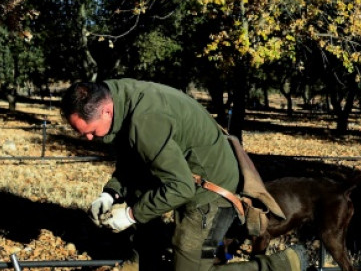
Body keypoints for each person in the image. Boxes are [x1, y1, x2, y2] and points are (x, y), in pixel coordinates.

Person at [61, 78, 309, 271]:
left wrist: (130, 214)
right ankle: (143, 261)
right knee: (144, 196)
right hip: (187, 176)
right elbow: (134, 157)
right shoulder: (118, 96)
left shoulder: (145, 120)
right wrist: (111, 192)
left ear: (105, 111)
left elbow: (181, 188)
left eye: (90, 131)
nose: (90, 138)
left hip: (212, 192)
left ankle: (282, 264)